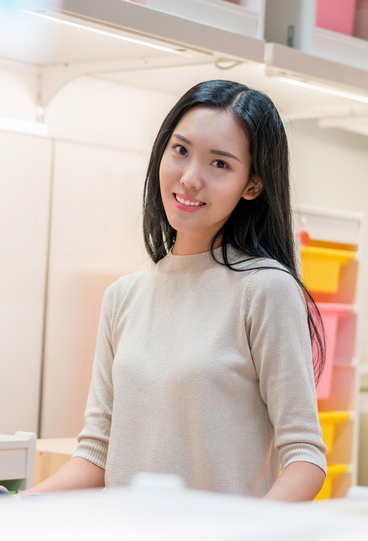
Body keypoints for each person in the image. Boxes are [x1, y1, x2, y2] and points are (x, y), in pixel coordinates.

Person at [30, 80, 328, 501]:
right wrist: (10, 506)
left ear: (252, 185)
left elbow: (305, 457)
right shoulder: (123, 297)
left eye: (220, 164)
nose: (190, 179)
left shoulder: (265, 289)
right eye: (181, 150)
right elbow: (96, 455)